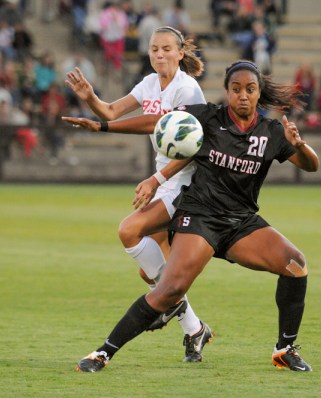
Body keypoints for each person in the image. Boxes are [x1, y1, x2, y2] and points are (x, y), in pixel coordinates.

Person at [62, 59, 319, 372]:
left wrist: (300, 146)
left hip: (241, 223)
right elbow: (156, 122)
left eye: (250, 89)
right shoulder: (207, 118)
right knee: (169, 291)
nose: (242, 95)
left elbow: (311, 165)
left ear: (258, 93)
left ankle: (284, 349)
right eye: (235, 88)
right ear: (226, 91)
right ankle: (103, 353)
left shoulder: (272, 132)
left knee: (296, 265)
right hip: (200, 217)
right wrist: (103, 125)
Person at [64, 26, 212, 363]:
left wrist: (154, 178)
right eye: (154, 49)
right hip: (165, 178)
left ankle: (172, 307)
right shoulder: (149, 83)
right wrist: (90, 99)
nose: (159, 54)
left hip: (186, 179)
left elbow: (156, 126)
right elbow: (113, 111)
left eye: (165, 49)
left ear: (179, 53)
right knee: (152, 271)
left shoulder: (187, 88)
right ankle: (194, 329)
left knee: (129, 230)